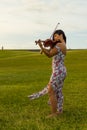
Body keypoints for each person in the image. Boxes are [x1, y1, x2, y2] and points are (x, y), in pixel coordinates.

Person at [28, 29, 67, 118]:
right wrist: (44, 46)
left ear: (61, 36)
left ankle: (54, 113)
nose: (54, 38)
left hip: (58, 71)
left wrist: (42, 46)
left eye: (56, 35)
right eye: (54, 36)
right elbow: (50, 51)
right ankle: (59, 111)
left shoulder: (60, 45)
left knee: (51, 91)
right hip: (61, 71)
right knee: (58, 91)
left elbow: (49, 54)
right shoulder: (62, 45)